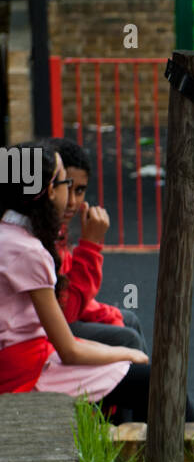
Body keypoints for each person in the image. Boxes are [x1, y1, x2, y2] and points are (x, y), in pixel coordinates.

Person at [0, 142, 150, 418]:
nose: (70, 196)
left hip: (32, 357)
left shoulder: (12, 233)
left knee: (132, 349)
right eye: (65, 183)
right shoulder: (28, 250)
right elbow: (67, 340)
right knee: (147, 376)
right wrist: (127, 355)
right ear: (48, 190)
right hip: (26, 373)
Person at [45, 137, 150, 352]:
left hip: (57, 319)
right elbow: (67, 312)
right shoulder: (40, 236)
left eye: (80, 191)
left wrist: (107, 314)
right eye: (67, 187)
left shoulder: (57, 231)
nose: (72, 201)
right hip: (42, 334)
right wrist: (90, 245)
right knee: (127, 339)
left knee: (127, 319)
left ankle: (154, 385)